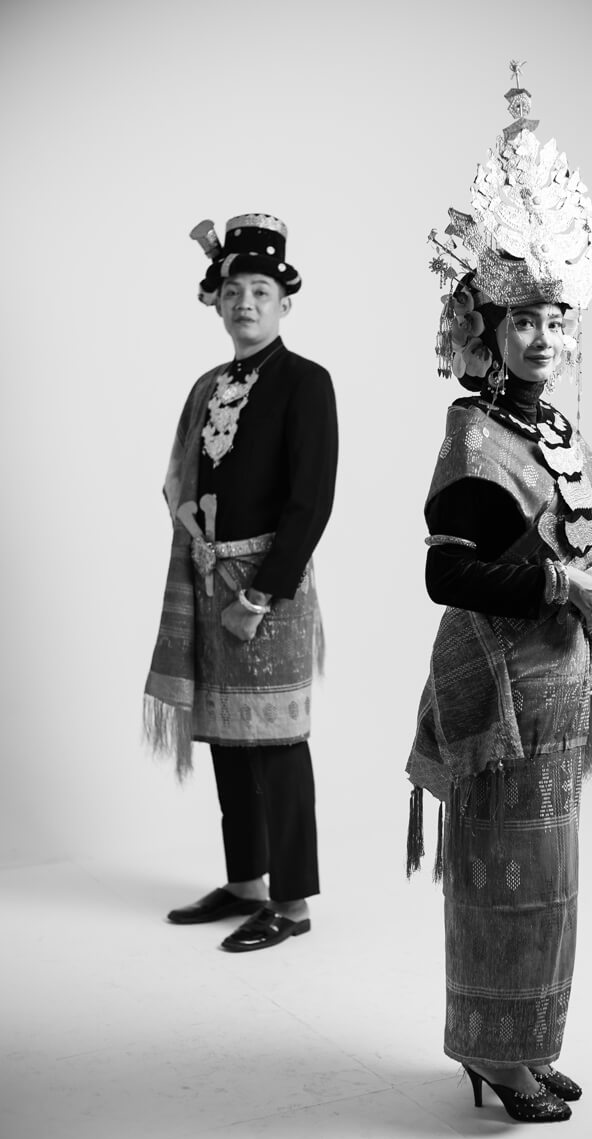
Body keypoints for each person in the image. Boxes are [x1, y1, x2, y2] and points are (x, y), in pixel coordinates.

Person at [406, 69, 592, 1122]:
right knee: (503, 877)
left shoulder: (558, 430)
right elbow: (445, 572)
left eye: (553, 318)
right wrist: (556, 580)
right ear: (484, 328)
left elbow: (589, 539)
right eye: (521, 319)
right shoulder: (476, 434)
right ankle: (491, 1054)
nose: (540, 336)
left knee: (552, 879)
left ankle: (532, 1044)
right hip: (497, 704)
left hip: (558, 700)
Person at [144, 213, 337, 952]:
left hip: (269, 588)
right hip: (207, 576)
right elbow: (181, 483)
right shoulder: (208, 386)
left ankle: (292, 902)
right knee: (227, 737)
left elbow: (311, 502)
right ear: (216, 302)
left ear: (285, 302)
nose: (245, 303)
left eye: (260, 290)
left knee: (278, 743)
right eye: (233, 291)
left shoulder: (306, 382)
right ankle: (246, 883)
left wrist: (260, 595)